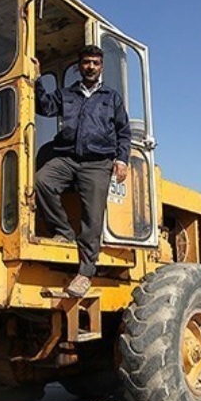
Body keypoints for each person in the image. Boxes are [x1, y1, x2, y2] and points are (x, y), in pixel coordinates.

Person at [33, 45, 132, 298]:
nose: (91, 67)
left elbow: (123, 132)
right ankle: (64, 232)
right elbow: (44, 107)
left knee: (92, 216)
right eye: (86, 62)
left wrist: (121, 160)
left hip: (98, 163)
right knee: (42, 181)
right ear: (79, 66)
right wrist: (37, 79)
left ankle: (85, 273)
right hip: (67, 158)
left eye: (95, 63)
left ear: (101, 67)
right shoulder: (67, 94)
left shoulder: (111, 98)